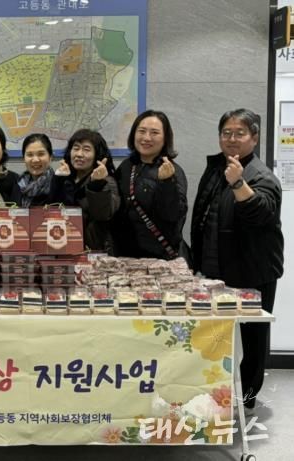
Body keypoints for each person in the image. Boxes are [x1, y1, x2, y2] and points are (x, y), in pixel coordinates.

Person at [191, 108, 283, 412]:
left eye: (239, 133)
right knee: (215, 333)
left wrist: (238, 183)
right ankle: (215, 388)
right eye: (226, 133)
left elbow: (262, 214)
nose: (232, 139)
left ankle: (247, 396)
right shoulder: (216, 168)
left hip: (253, 269)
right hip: (216, 268)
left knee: (254, 337)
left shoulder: (261, 175)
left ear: (254, 138)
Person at [114, 110, 188, 259]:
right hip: (125, 256)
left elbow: (173, 215)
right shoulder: (126, 166)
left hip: (159, 259)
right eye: (142, 131)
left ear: (165, 138)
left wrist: (167, 182)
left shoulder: (172, 170)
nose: (146, 138)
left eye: (154, 133)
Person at [49, 129, 120, 252]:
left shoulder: (107, 182)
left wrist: (97, 184)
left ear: (97, 155)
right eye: (76, 148)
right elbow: (52, 211)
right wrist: (58, 180)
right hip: (62, 246)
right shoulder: (65, 178)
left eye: (86, 150)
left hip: (94, 251)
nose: (79, 154)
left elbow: (103, 214)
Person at [18, 133, 55, 207]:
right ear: (23, 158)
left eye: (41, 154)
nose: (35, 160)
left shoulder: (58, 185)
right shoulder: (18, 184)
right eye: (30, 155)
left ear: (50, 157)